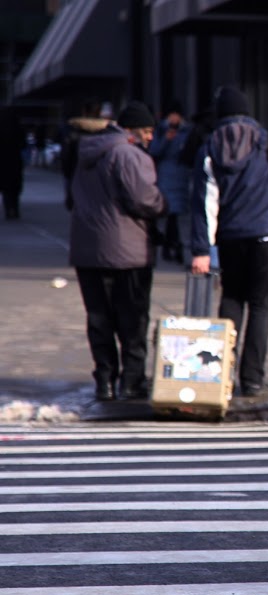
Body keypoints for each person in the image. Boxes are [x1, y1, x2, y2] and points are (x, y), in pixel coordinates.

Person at [189, 86, 268, 397]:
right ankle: (253, 378)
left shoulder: (210, 147)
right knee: (261, 303)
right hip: (267, 234)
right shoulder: (266, 139)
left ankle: (222, 371)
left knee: (231, 298)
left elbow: (206, 201)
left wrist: (202, 248)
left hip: (230, 236)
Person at [68, 101, 168, 401]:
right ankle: (132, 381)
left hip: (89, 250)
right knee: (133, 319)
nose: (151, 137)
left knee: (99, 318)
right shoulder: (128, 153)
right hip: (128, 252)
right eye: (148, 131)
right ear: (132, 130)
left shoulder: (88, 152)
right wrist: (164, 205)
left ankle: (105, 380)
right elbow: (144, 199)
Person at [149, 99, 192, 263]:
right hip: (166, 175)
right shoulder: (161, 130)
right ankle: (172, 245)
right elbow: (154, 151)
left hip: (181, 176)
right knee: (170, 213)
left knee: (176, 215)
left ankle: (173, 245)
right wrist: (166, 139)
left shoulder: (186, 131)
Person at [60, 97, 110, 211]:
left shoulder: (74, 133)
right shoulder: (108, 134)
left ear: (84, 112)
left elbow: (66, 162)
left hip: (77, 177)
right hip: (100, 182)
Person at [0, 106, 26, 220]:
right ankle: (14, 209)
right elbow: (23, 144)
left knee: (5, 187)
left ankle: (8, 209)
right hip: (15, 160)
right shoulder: (18, 127)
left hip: (2, 161)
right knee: (14, 187)